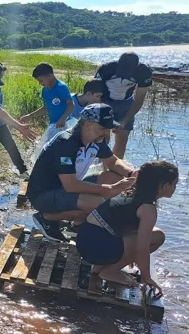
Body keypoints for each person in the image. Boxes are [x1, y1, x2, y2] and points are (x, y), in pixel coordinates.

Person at [27, 104, 137, 242]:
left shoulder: (96, 140)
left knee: (114, 177)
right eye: (102, 128)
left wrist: (133, 174)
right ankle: (47, 217)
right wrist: (108, 190)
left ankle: (77, 224)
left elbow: (112, 162)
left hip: (65, 188)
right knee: (97, 202)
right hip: (43, 195)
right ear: (87, 125)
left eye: (107, 128)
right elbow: (71, 186)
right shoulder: (65, 144)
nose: (105, 133)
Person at [77, 160, 176, 293]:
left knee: (150, 233)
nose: (175, 187)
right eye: (174, 184)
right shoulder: (147, 209)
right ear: (164, 185)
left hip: (84, 242)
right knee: (158, 237)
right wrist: (146, 277)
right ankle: (110, 271)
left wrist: (129, 255)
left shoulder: (129, 193)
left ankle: (99, 267)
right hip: (97, 247)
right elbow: (142, 248)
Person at [95, 52, 153, 159]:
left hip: (126, 105)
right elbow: (95, 94)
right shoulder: (106, 69)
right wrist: (103, 119)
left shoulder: (144, 72)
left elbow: (139, 100)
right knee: (102, 138)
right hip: (105, 102)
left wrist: (124, 121)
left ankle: (116, 170)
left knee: (122, 139)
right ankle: (102, 165)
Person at [20, 63, 75, 129]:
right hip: (53, 125)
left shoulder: (61, 87)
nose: (40, 83)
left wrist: (63, 119)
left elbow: (71, 105)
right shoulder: (45, 91)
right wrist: (30, 116)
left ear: (50, 75)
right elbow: (45, 108)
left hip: (66, 124)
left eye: (41, 81)